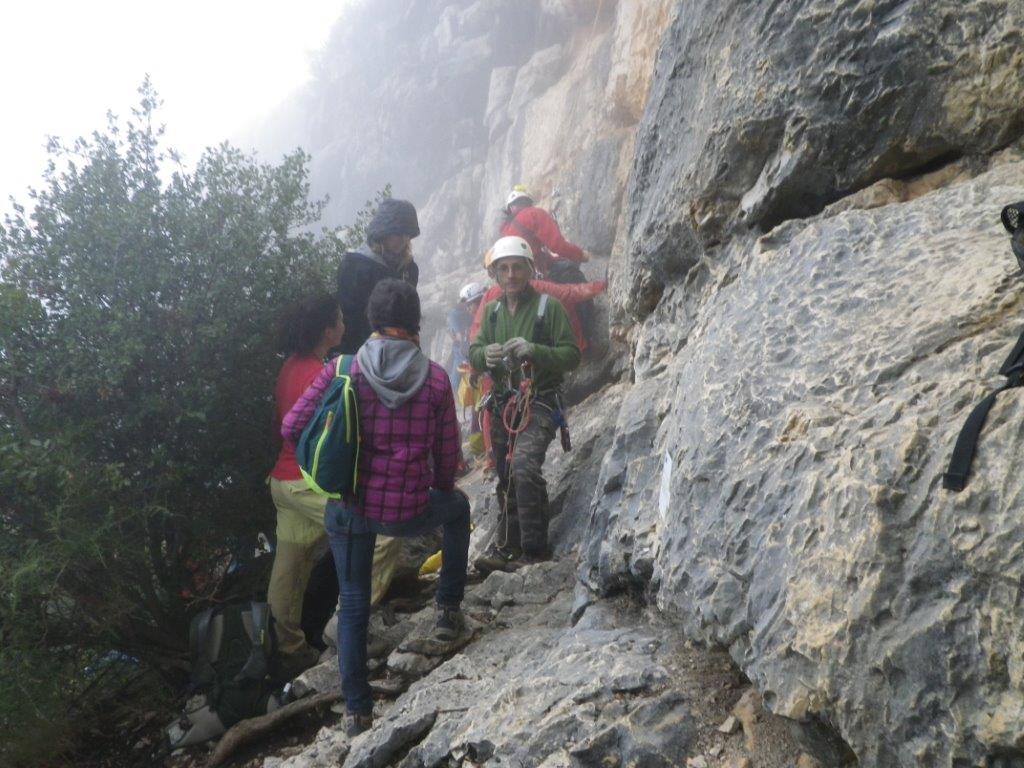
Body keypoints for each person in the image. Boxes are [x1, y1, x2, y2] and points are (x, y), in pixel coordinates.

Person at [281, 279, 469, 736]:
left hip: (349, 508)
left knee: (353, 602)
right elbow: (447, 462)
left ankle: (357, 712)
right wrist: (435, 489)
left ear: (371, 321)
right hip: (408, 510)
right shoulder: (437, 379)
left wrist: (322, 472)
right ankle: (447, 611)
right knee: (459, 508)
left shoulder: (343, 368)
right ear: (415, 323)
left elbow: (292, 426)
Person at [266, 295, 400, 679]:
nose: (345, 324)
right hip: (308, 482)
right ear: (328, 330)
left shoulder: (289, 368)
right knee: (385, 530)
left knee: (289, 568)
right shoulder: (317, 374)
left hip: (282, 481)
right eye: (340, 319)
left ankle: (287, 648)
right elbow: (336, 434)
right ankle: (345, 623)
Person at [469, 236, 580, 574]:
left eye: (517, 267)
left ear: (530, 269)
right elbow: (474, 353)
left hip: (540, 401)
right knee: (505, 474)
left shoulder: (549, 307)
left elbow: (571, 356)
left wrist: (535, 351)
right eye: (504, 269)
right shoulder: (490, 313)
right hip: (504, 402)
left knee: (524, 465)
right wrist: (482, 356)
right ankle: (508, 547)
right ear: (496, 275)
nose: (511, 275)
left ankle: (534, 550)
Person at [336, 198, 421, 354]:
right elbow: (349, 317)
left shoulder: (409, 269)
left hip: (400, 352)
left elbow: (410, 315)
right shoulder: (355, 267)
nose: (403, 239)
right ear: (383, 232)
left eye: (407, 234)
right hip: (362, 353)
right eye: (398, 233)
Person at [499, 185, 589, 276]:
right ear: (528, 201)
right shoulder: (534, 214)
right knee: (571, 274)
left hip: (513, 279)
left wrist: (556, 260)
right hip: (531, 277)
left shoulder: (505, 229)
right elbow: (558, 245)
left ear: (510, 208)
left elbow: (536, 254)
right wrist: (581, 255)